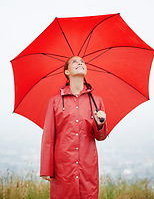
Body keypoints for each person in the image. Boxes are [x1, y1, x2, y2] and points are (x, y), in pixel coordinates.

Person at [40, 56, 108, 199]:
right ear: (67, 72)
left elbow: (100, 137)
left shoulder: (96, 101)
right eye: (75, 62)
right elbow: (48, 137)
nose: (80, 63)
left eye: (82, 62)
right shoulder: (55, 101)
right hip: (63, 167)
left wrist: (100, 123)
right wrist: (46, 169)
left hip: (88, 167)